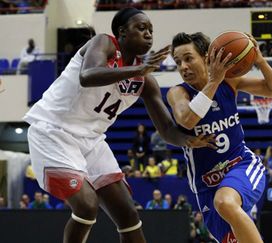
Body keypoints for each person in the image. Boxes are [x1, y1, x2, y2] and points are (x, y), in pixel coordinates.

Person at [23, 8, 214, 243]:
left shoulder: (145, 81)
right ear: (122, 32)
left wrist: (189, 140)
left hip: (91, 140)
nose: (148, 34)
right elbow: (89, 75)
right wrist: (139, 69)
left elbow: (166, 129)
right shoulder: (104, 43)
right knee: (86, 206)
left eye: (151, 30)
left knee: (128, 213)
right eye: (141, 28)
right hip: (53, 130)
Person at [167, 32, 272, 243]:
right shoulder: (178, 93)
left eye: (188, 58)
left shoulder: (230, 82)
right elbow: (187, 120)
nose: (183, 66)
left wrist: (259, 59)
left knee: (225, 202)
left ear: (206, 57)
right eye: (178, 62)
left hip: (241, 164)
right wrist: (213, 81)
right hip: (205, 186)